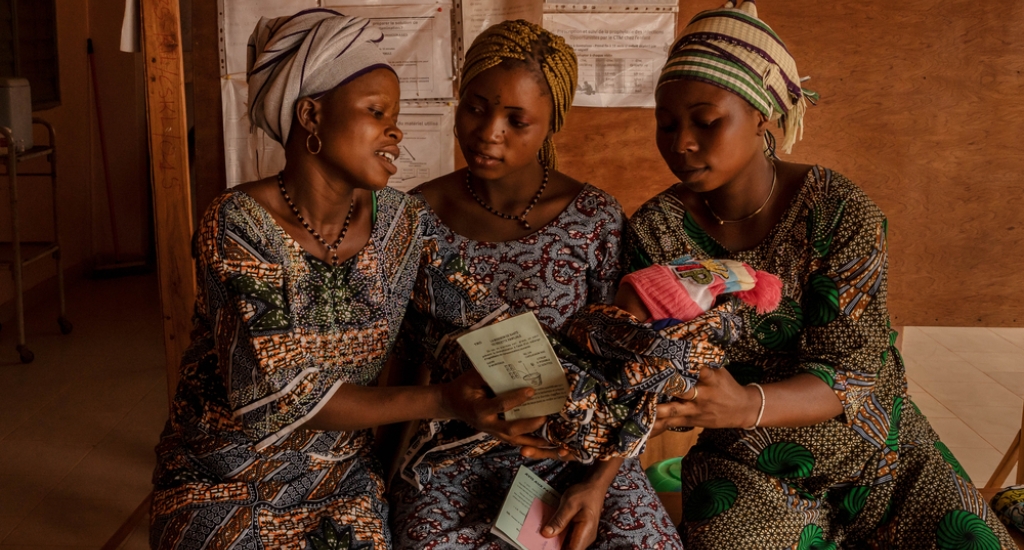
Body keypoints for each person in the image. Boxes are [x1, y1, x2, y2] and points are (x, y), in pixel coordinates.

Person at [624, 1, 1015, 547]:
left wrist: (746, 402)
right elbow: (648, 361)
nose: (681, 142)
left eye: (706, 121)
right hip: (749, 462)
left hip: (878, 449)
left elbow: (854, 371)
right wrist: (669, 397)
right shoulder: (656, 231)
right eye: (666, 125)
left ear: (761, 114)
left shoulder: (836, 210)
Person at [149, 10, 540, 549]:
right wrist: (444, 401)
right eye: (376, 112)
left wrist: (552, 393)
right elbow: (280, 397)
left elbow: (478, 317)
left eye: (396, 114)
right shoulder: (238, 223)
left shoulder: (403, 222)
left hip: (339, 481)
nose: (395, 130)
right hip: (223, 481)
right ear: (311, 115)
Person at [388, 19, 682, 550]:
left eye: (515, 120)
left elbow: (632, 366)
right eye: (475, 107)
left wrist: (598, 483)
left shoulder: (594, 218)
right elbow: (400, 359)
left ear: (551, 124)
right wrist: (382, 480)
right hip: (455, 445)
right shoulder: (412, 217)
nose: (487, 131)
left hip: (582, 453)